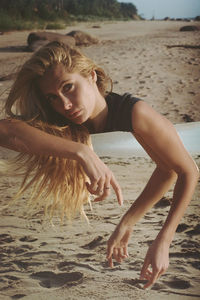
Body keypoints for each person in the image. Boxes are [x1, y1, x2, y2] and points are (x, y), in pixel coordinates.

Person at [0, 41, 198, 288]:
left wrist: (157, 238)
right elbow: (4, 130)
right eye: (53, 98)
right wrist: (82, 153)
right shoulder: (57, 119)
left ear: (91, 76)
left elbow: (181, 170)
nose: (65, 105)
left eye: (69, 87)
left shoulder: (134, 113)